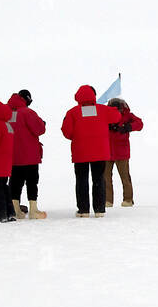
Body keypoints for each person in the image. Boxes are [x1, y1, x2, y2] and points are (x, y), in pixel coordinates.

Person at [61, 85, 121, 217]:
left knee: (82, 181)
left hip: (80, 152)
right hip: (100, 152)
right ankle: (99, 210)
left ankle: (83, 210)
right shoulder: (103, 110)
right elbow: (117, 117)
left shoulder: (72, 112)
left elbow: (66, 132)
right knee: (99, 179)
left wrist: (76, 136)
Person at [8, 89, 47, 219]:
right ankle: (33, 210)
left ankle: (15, 209)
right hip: (30, 155)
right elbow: (39, 129)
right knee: (32, 182)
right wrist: (42, 123)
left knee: (15, 182)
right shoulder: (27, 112)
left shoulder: (6, 113)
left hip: (12, 155)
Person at [104, 98, 143, 207]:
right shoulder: (105, 115)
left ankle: (128, 199)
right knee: (106, 178)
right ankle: (108, 200)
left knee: (124, 177)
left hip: (121, 152)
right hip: (107, 151)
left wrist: (127, 127)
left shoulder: (128, 116)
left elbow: (140, 124)